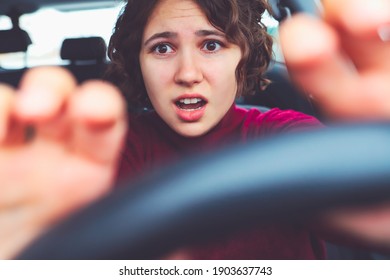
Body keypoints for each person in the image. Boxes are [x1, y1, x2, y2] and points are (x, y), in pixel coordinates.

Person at [1, 0, 390, 259]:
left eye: (212, 45)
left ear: (244, 57)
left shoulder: (283, 137)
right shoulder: (101, 151)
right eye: (162, 48)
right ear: (138, 64)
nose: (188, 74)